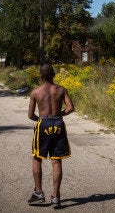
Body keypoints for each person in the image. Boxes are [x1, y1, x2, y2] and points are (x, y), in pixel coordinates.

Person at [27, 63, 74, 207]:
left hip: (43, 124)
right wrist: (58, 115)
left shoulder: (36, 92)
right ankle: (56, 197)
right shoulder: (61, 90)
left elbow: (30, 115)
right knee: (56, 160)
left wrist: (41, 120)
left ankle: (39, 193)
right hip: (58, 124)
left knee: (37, 158)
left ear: (40, 75)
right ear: (53, 74)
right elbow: (71, 108)